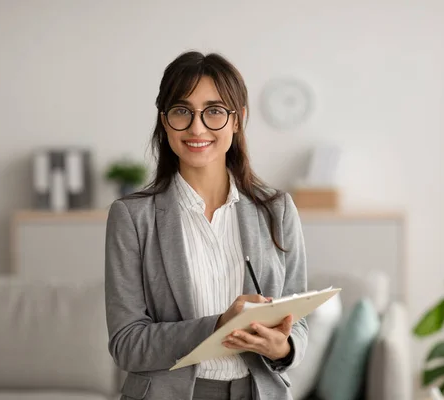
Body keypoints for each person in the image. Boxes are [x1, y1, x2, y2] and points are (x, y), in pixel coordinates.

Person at [104, 51, 308, 400]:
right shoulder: (132, 217)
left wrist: (283, 348)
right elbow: (127, 344)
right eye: (182, 111)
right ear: (164, 120)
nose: (197, 128)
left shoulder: (277, 210)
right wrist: (217, 327)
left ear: (237, 119)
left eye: (214, 111)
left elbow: (299, 323)